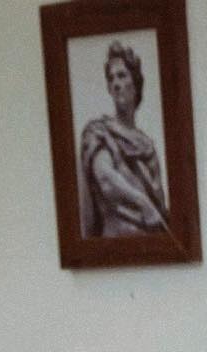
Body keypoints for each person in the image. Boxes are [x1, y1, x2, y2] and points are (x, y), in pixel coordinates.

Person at [79, 41, 168, 237]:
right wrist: (142, 202)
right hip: (115, 244)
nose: (116, 84)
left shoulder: (147, 146)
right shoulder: (98, 132)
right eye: (111, 79)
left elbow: (160, 206)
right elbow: (105, 179)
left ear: (135, 83)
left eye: (122, 75)